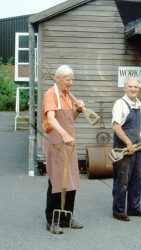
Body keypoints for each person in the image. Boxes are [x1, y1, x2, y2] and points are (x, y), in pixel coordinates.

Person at [42, 65, 84, 234]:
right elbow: (51, 119)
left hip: (69, 145)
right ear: (58, 79)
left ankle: (67, 219)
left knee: (71, 182)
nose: (71, 83)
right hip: (57, 144)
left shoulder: (67, 96)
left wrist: (77, 110)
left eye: (72, 79)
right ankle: (52, 221)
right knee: (56, 182)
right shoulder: (50, 94)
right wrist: (64, 134)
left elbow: (69, 119)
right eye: (68, 80)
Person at [111, 76, 141, 222]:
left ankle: (134, 208)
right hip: (123, 149)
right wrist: (128, 143)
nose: (133, 89)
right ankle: (119, 211)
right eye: (130, 87)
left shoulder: (137, 104)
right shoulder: (120, 104)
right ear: (125, 88)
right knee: (122, 181)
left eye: (136, 87)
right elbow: (116, 126)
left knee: (136, 180)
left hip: (136, 148)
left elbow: (133, 128)